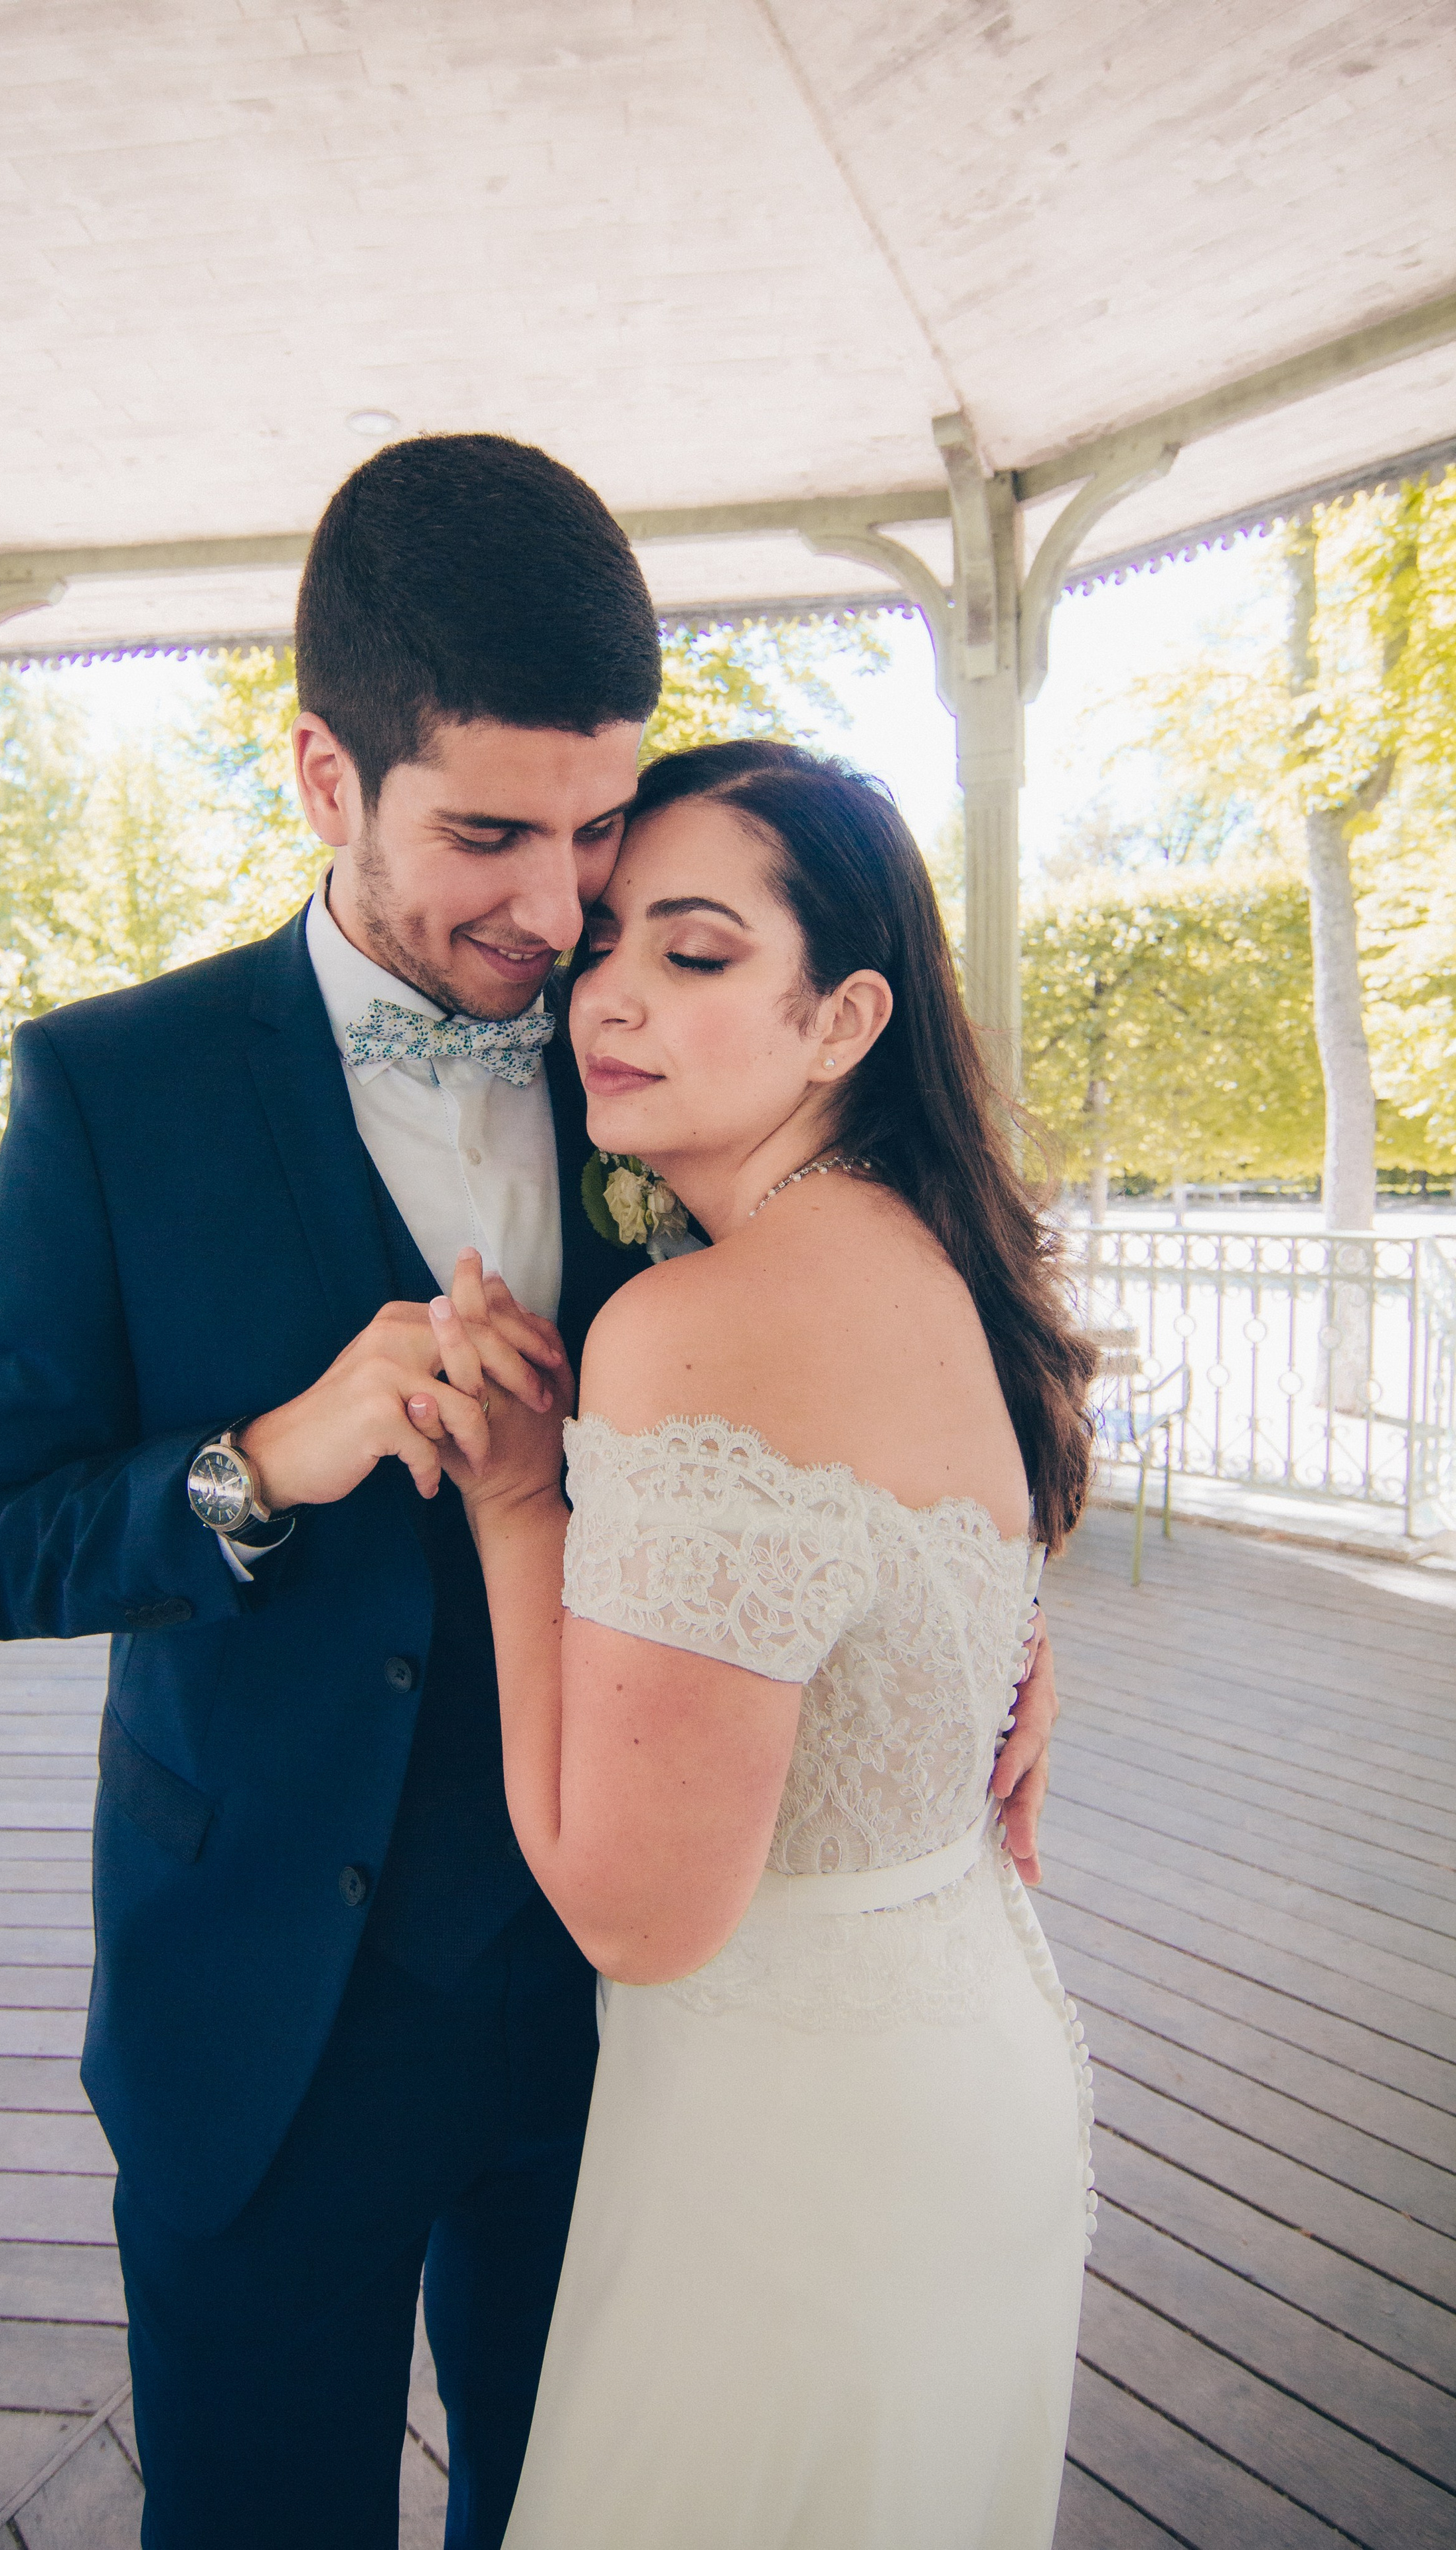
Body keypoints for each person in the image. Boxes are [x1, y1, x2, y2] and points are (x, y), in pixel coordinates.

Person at [0, 436, 1062, 2548]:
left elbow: (874, 1344)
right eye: (489, 834)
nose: (555, 911)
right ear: (326, 779)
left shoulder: (659, 1044)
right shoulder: (114, 1089)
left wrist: (982, 1618)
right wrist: (261, 1463)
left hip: (619, 2028)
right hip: (262, 2015)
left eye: (598, 829)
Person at [410, 739, 1097, 2549]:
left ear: (844, 1018)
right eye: (605, 945)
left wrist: (516, 1499)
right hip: (968, 2059)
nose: (610, 995)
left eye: (696, 952)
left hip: (799, 2152)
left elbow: (640, 1917)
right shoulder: (936, 1265)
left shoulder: (696, 1326)